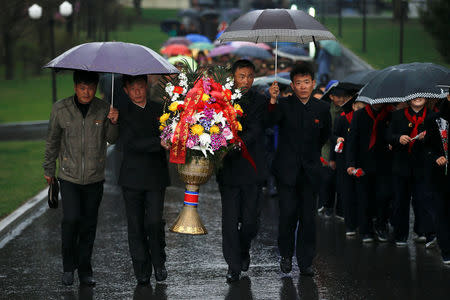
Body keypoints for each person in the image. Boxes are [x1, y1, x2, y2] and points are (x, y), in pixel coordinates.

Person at [43, 70, 119, 286]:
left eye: (91, 88)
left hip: (95, 178)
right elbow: (52, 141)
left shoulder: (103, 109)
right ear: (75, 87)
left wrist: (114, 122)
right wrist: (49, 169)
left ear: (96, 87)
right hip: (69, 177)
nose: (87, 92)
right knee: (71, 220)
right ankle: (68, 267)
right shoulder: (60, 109)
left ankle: (85, 270)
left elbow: (112, 139)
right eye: (83, 88)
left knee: (88, 225)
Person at [267, 63, 331, 276]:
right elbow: (271, 122)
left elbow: (324, 135)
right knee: (287, 215)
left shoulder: (322, 108)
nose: (303, 86)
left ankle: (306, 261)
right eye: (298, 83)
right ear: (292, 85)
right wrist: (273, 99)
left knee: (308, 218)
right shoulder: (284, 105)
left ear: (313, 83)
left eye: (306, 82)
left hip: (311, 171)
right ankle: (285, 255)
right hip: (286, 171)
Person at [216, 59, 267, 283]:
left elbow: (256, 129)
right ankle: (233, 266)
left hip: (251, 167)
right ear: (233, 78)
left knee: (249, 222)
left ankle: (244, 248)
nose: (245, 81)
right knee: (229, 221)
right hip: (228, 170)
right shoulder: (221, 99)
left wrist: (235, 144)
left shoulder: (259, 100)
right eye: (241, 76)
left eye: (249, 76)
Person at [118, 75, 170, 285]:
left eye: (141, 87)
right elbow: (131, 143)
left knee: (154, 222)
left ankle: (159, 262)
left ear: (146, 87)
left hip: (156, 176)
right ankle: (141, 268)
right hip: (132, 177)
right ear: (126, 90)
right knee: (136, 225)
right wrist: (159, 142)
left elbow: (169, 132)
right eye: (133, 88)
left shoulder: (160, 109)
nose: (138, 92)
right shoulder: (121, 113)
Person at [387, 97, 436, 247]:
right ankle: (401, 235)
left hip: (423, 165)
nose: (417, 98)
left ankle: (427, 234)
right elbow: (388, 135)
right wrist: (398, 138)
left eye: (421, 94)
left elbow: (440, 139)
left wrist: (427, 137)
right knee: (401, 201)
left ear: (426, 98)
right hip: (401, 165)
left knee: (424, 200)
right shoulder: (397, 115)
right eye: (414, 95)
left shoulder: (433, 116)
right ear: (408, 99)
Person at [346, 102, 392, 243]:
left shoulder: (389, 114)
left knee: (383, 195)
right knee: (364, 198)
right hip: (363, 163)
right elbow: (352, 140)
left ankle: (381, 225)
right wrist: (351, 164)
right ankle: (366, 230)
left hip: (383, 163)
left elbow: (392, 133)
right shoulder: (360, 115)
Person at [333, 98, 366, 236]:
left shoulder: (367, 120)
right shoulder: (343, 119)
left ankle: (362, 223)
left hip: (361, 161)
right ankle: (350, 225)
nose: (360, 111)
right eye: (358, 108)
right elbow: (333, 134)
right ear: (353, 106)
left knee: (362, 194)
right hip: (344, 161)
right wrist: (337, 139)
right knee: (347, 193)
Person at [425, 88, 450, 264]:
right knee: (443, 212)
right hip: (441, 176)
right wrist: (436, 157)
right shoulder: (434, 120)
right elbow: (426, 148)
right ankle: (446, 250)